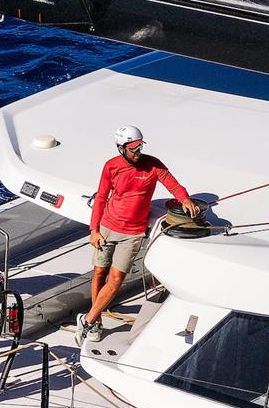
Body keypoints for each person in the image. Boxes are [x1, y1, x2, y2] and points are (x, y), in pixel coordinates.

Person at [75, 125, 199, 346]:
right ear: (121, 148)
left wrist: (185, 198)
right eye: (133, 148)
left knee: (116, 280)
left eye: (140, 146)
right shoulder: (111, 167)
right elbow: (101, 198)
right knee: (99, 273)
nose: (138, 151)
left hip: (132, 233)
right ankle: (96, 322)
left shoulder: (153, 165)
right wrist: (94, 231)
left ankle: (88, 319)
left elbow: (173, 184)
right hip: (107, 228)